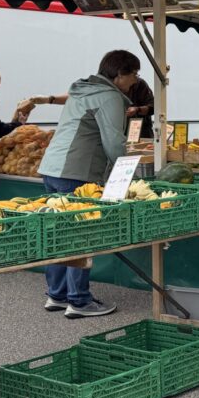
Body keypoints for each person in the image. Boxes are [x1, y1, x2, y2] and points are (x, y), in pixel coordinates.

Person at [37, 50, 142, 319]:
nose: (136, 80)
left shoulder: (81, 90)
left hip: (52, 168)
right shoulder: (109, 97)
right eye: (134, 74)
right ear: (120, 74)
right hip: (77, 171)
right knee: (80, 235)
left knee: (58, 233)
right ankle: (79, 300)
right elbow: (113, 141)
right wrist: (128, 174)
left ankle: (57, 294)